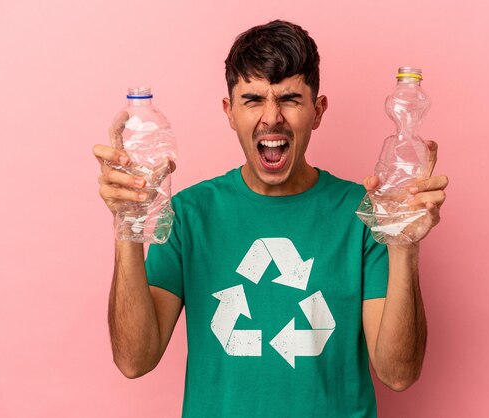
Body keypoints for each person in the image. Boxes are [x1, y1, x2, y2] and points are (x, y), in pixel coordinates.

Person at [93, 20, 448, 417]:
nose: (272, 117)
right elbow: (134, 361)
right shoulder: (189, 215)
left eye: (290, 99)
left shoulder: (366, 214)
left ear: (318, 111)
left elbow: (398, 374)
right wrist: (127, 228)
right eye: (253, 100)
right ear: (229, 112)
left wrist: (404, 245)